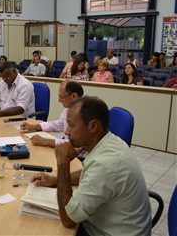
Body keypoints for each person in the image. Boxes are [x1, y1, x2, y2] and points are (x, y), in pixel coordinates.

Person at [30, 96, 151, 236]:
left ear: (93, 126)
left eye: (71, 125)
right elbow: (88, 173)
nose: (67, 132)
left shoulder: (104, 164)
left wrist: (63, 163)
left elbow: (68, 219)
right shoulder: (110, 142)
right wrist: (55, 180)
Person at [20, 80, 83, 150]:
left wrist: (45, 141)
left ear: (74, 96)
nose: (59, 100)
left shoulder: (83, 114)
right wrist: (33, 127)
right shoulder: (69, 108)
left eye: (62, 97)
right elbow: (59, 125)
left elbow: (75, 144)